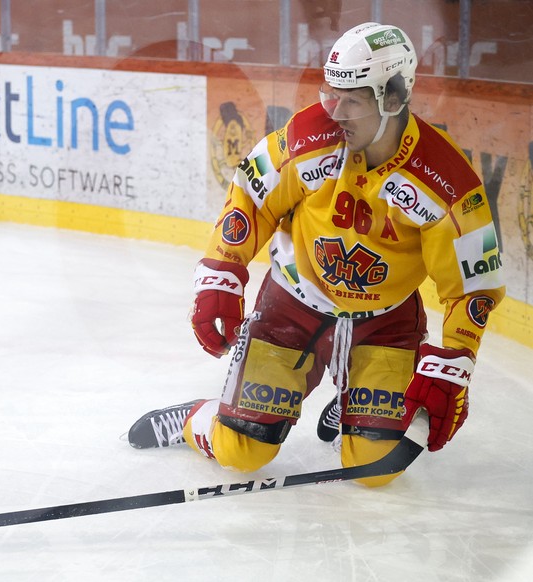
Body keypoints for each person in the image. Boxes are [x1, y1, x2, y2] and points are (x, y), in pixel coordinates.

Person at [127, 22, 505, 487]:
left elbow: (474, 286)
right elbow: (252, 193)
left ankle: (351, 404)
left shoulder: (448, 182)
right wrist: (221, 272)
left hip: (383, 320)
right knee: (241, 449)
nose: (334, 111)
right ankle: (199, 420)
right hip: (293, 306)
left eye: (352, 100)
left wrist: (452, 364)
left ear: (393, 97)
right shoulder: (310, 135)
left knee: (376, 469)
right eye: (330, 93)